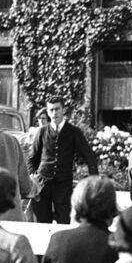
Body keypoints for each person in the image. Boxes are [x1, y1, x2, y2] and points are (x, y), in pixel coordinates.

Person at [28, 95, 99, 224]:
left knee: (63, 222)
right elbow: (32, 158)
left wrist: (94, 181)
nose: (54, 113)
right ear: (48, 112)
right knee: (42, 223)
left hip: (63, 185)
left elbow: (89, 156)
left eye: (57, 109)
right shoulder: (42, 132)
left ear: (63, 110)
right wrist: (33, 176)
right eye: (51, 110)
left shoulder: (74, 132)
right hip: (42, 185)